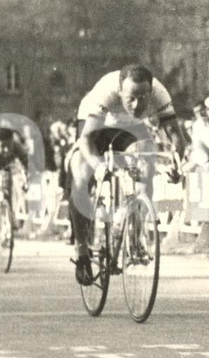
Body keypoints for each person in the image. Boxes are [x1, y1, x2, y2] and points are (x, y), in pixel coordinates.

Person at [64, 64, 187, 285]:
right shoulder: (105, 92)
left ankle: (135, 229)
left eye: (143, 98)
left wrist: (177, 162)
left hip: (130, 131)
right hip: (96, 127)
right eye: (131, 98)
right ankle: (82, 252)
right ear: (120, 91)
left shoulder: (160, 93)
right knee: (81, 178)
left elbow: (175, 136)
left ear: (151, 91)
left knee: (145, 163)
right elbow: (86, 141)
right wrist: (98, 166)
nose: (138, 104)